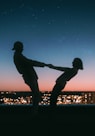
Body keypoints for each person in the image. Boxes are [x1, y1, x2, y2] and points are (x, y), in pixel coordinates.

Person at [12, 41, 47, 115]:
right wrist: (43, 64)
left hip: (29, 76)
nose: (23, 49)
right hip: (29, 76)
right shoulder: (18, 56)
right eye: (21, 47)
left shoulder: (18, 56)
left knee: (36, 94)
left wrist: (43, 64)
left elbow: (29, 62)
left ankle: (34, 112)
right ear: (19, 48)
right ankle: (34, 113)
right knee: (36, 95)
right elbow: (30, 62)